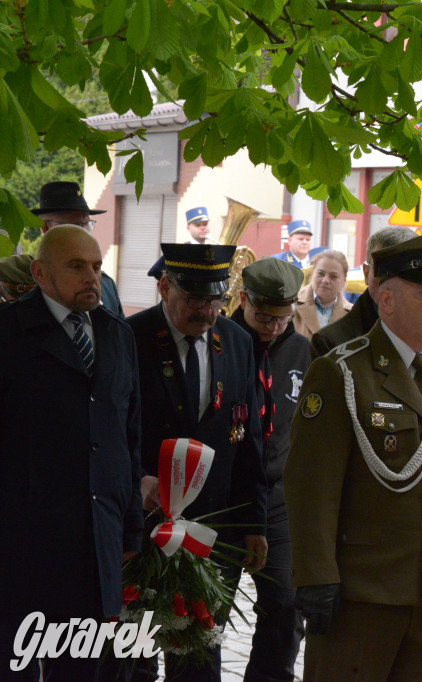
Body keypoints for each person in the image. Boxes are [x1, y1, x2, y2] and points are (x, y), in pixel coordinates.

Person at [285, 231, 422, 681]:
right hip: (362, 594)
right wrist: (315, 575)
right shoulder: (341, 371)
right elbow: (312, 487)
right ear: (385, 300)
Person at [0, 226, 143, 680]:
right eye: (77, 266)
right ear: (40, 273)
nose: (91, 277)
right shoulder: (7, 332)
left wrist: (129, 528)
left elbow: (128, 437)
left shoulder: (117, 334)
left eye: (97, 267)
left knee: (82, 667)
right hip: (21, 539)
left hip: (96, 536)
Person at [129, 243, 267, 682]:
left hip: (213, 529)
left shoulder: (239, 341)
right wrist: (139, 480)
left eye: (215, 300)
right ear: (164, 287)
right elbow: (109, 433)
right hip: (143, 527)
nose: (207, 313)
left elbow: (248, 441)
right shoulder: (129, 338)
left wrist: (254, 524)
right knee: (132, 656)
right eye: (194, 300)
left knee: (200, 658)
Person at [230, 258, 310, 682]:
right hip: (223, 502)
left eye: (284, 318)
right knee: (206, 612)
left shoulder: (303, 350)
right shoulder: (220, 342)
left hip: (280, 501)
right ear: (244, 300)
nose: (274, 327)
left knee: (285, 606)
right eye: (264, 316)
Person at [309, 226, 416, 358]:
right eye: (383, 270)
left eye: (404, 272)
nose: (393, 282)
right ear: (366, 273)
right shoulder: (329, 342)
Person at [32, 180, 124, 316]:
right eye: (75, 225)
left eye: (87, 223)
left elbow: (120, 333)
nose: (84, 231)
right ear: (46, 227)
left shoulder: (107, 285)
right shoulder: (27, 286)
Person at [292, 249, 352, 340]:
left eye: (333, 276)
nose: (325, 281)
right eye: (321, 274)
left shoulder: (352, 314)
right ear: (312, 274)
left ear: (344, 281)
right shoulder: (291, 304)